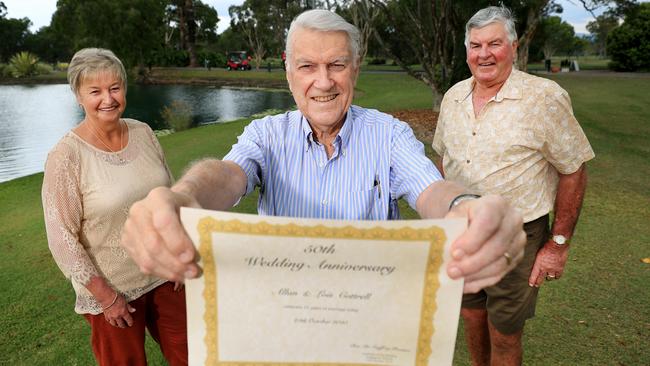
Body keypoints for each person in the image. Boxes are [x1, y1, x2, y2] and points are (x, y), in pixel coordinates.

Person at [121, 9, 526, 297]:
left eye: (336, 64)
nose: (323, 82)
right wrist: (185, 196)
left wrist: (464, 206)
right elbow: (227, 175)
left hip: (371, 313)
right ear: (287, 70)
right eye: (307, 66)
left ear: (355, 68)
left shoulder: (389, 135)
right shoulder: (266, 134)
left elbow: (430, 189)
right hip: (284, 312)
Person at [432, 6, 595, 366]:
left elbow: (573, 169)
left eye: (494, 43)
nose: (484, 54)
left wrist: (558, 243)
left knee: (504, 331)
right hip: (463, 232)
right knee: (472, 317)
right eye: (476, 45)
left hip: (517, 234)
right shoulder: (453, 96)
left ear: (514, 46)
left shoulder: (544, 97)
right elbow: (444, 159)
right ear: (466, 50)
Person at [41, 48, 187, 366]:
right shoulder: (66, 157)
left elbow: (170, 198)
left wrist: (179, 253)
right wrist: (107, 298)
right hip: (113, 290)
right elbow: (62, 240)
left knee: (194, 356)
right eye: (95, 91)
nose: (108, 99)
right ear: (78, 96)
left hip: (165, 276)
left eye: (115, 88)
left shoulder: (143, 132)